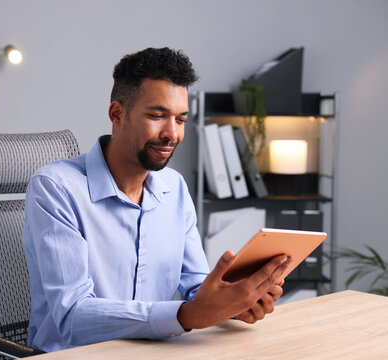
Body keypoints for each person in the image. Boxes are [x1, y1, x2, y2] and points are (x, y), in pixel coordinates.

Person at [22, 47, 291, 353]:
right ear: (117, 114)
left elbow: (196, 288)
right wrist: (187, 315)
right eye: (157, 116)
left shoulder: (173, 188)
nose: (171, 134)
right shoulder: (56, 188)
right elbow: (72, 317)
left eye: (180, 119)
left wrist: (232, 302)